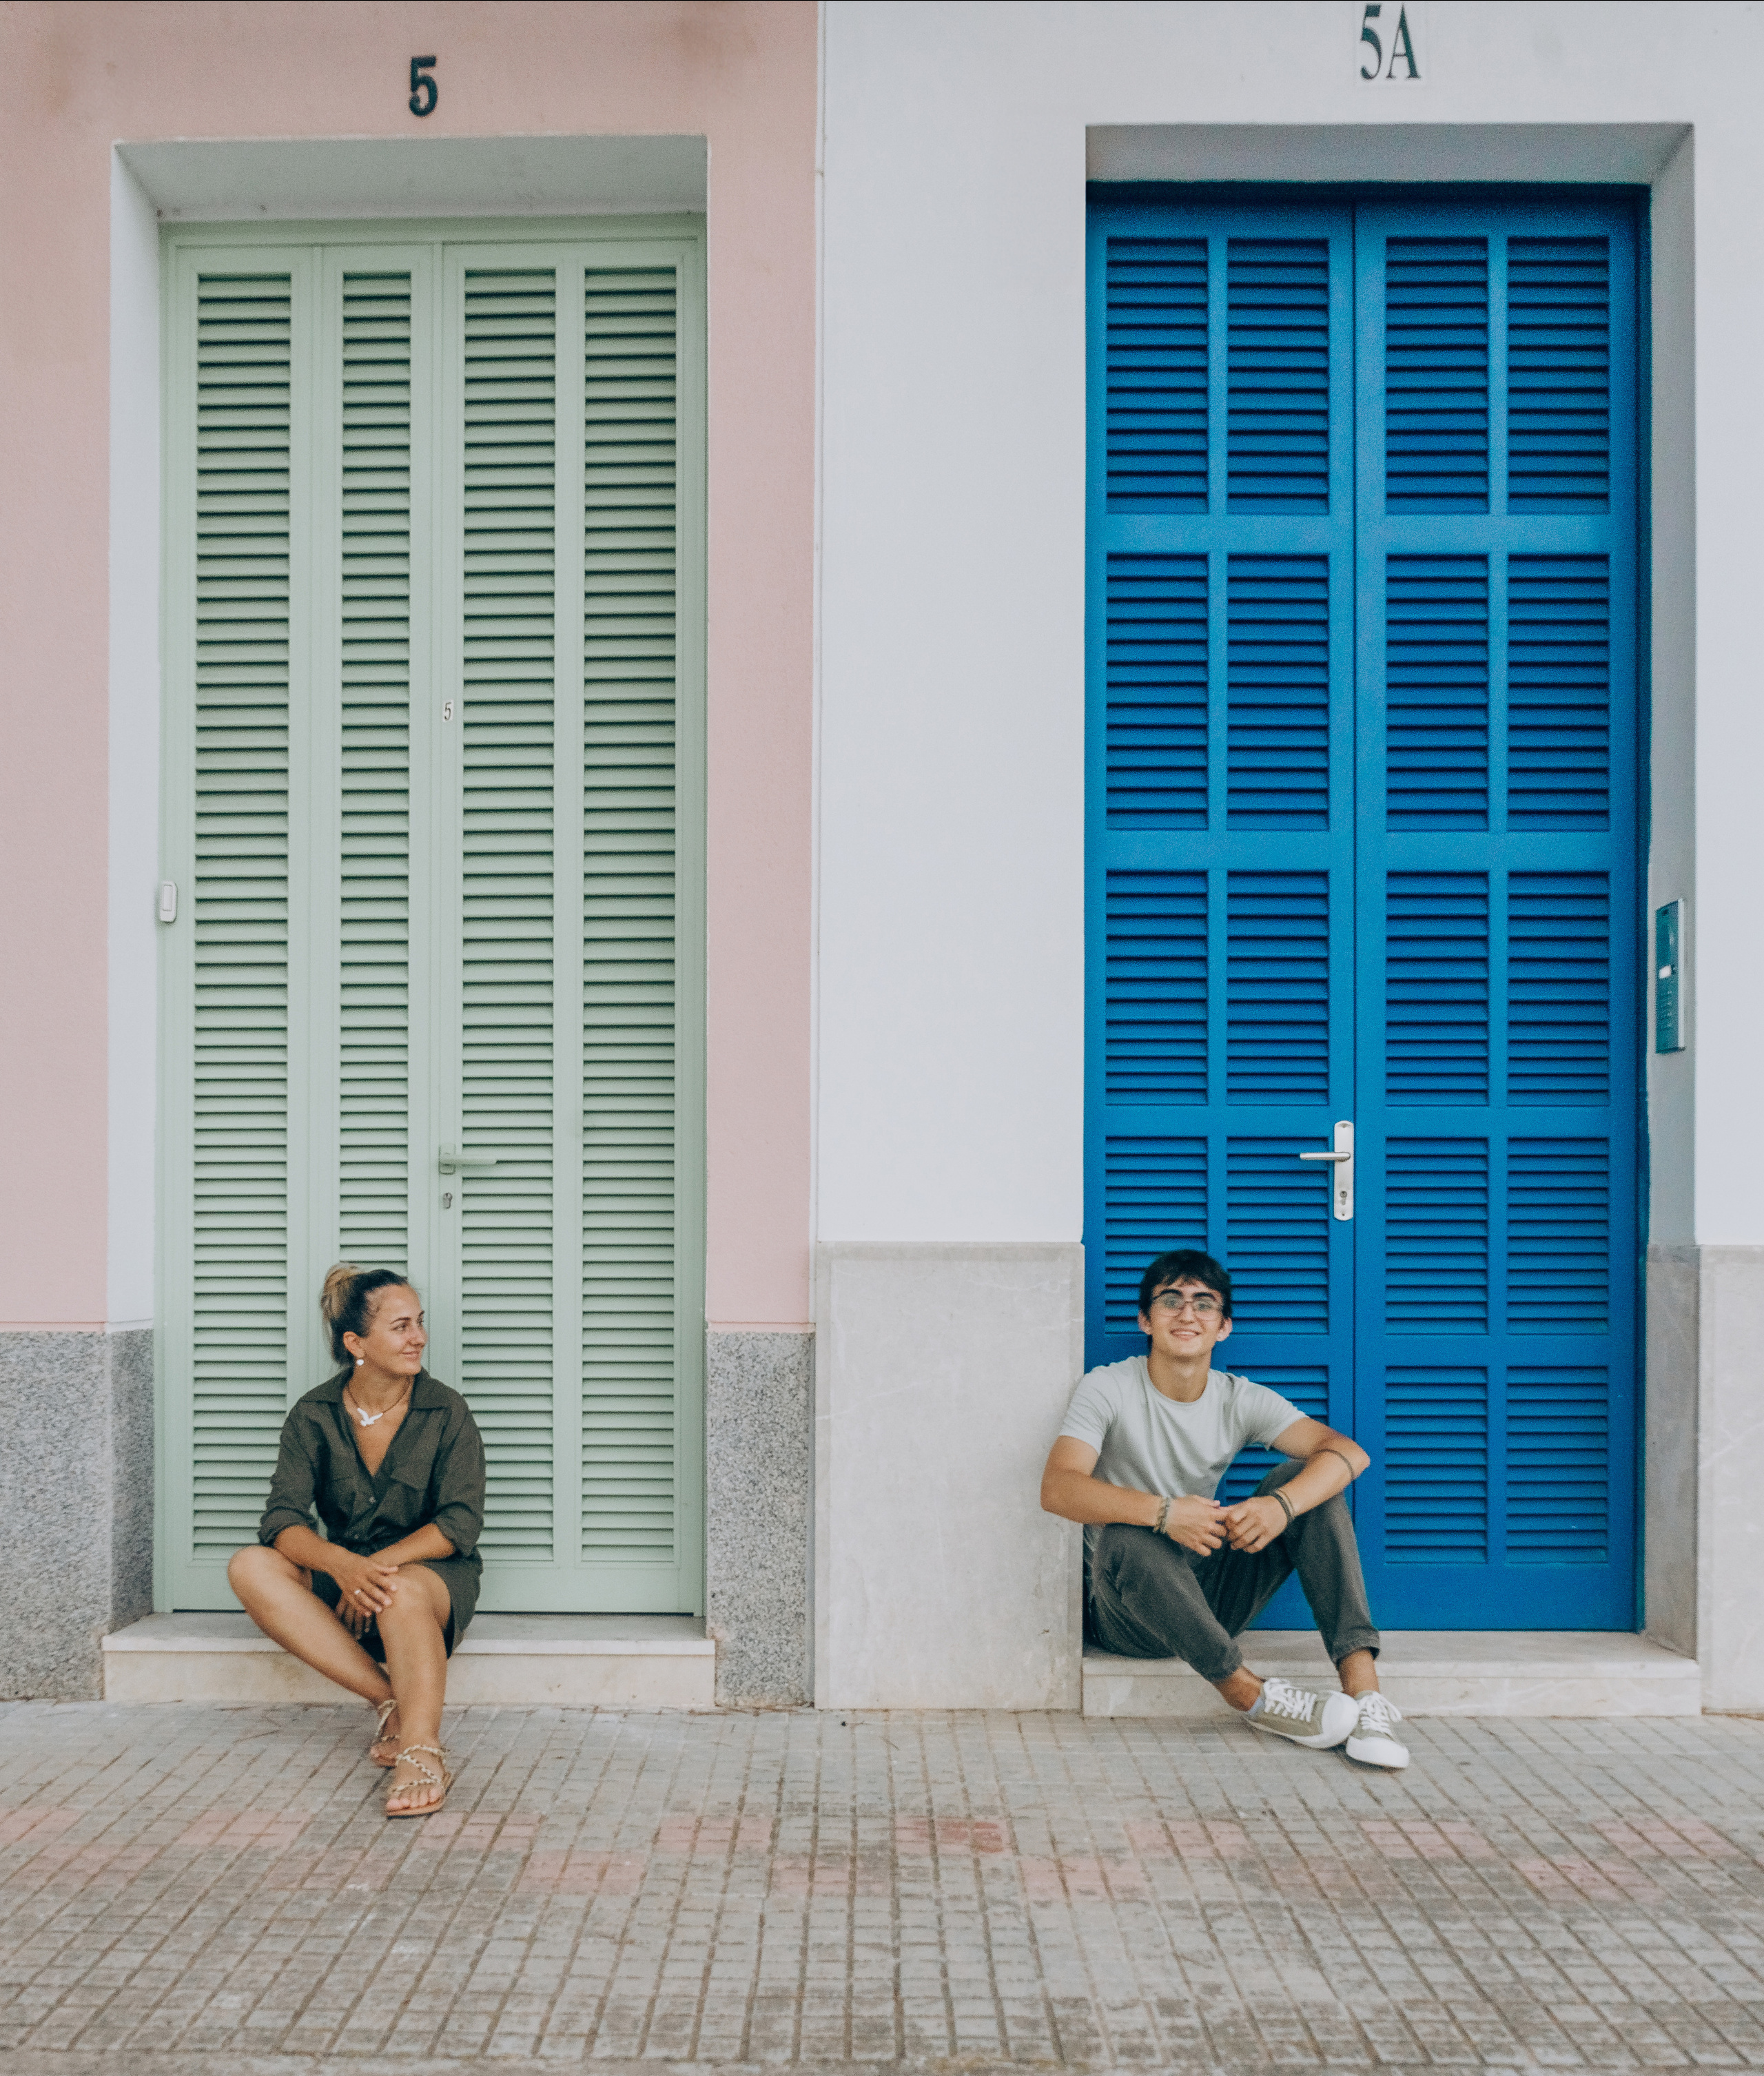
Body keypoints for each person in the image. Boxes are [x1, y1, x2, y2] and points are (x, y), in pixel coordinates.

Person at [1040, 1248, 1408, 1768]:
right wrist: (1165, 1513)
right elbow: (1058, 1488)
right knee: (1125, 1534)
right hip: (1130, 1610)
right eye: (1171, 1300)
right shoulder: (1108, 1387)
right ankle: (1252, 1696)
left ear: (1223, 1327)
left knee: (1304, 1482)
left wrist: (1280, 1507)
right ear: (1145, 1320)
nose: (1187, 1314)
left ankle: (1366, 1696)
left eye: (1204, 1303)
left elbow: (1349, 1453)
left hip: (1210, 1590)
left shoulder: (1238, 1398)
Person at [227, 1265, 486, 1816]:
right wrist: (342, 1565)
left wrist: (371, 1569)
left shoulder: (446, 1412)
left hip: (430, 1580)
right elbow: (282, 1520)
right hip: (347, 1580)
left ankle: (422, 1748)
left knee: (401, 1589)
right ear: (356, 1343)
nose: (419, 1337)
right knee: (250, 1565)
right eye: (401, 1326)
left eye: (419, 1322)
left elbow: (458, 1524)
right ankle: (388, 1699)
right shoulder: (313, 1415)